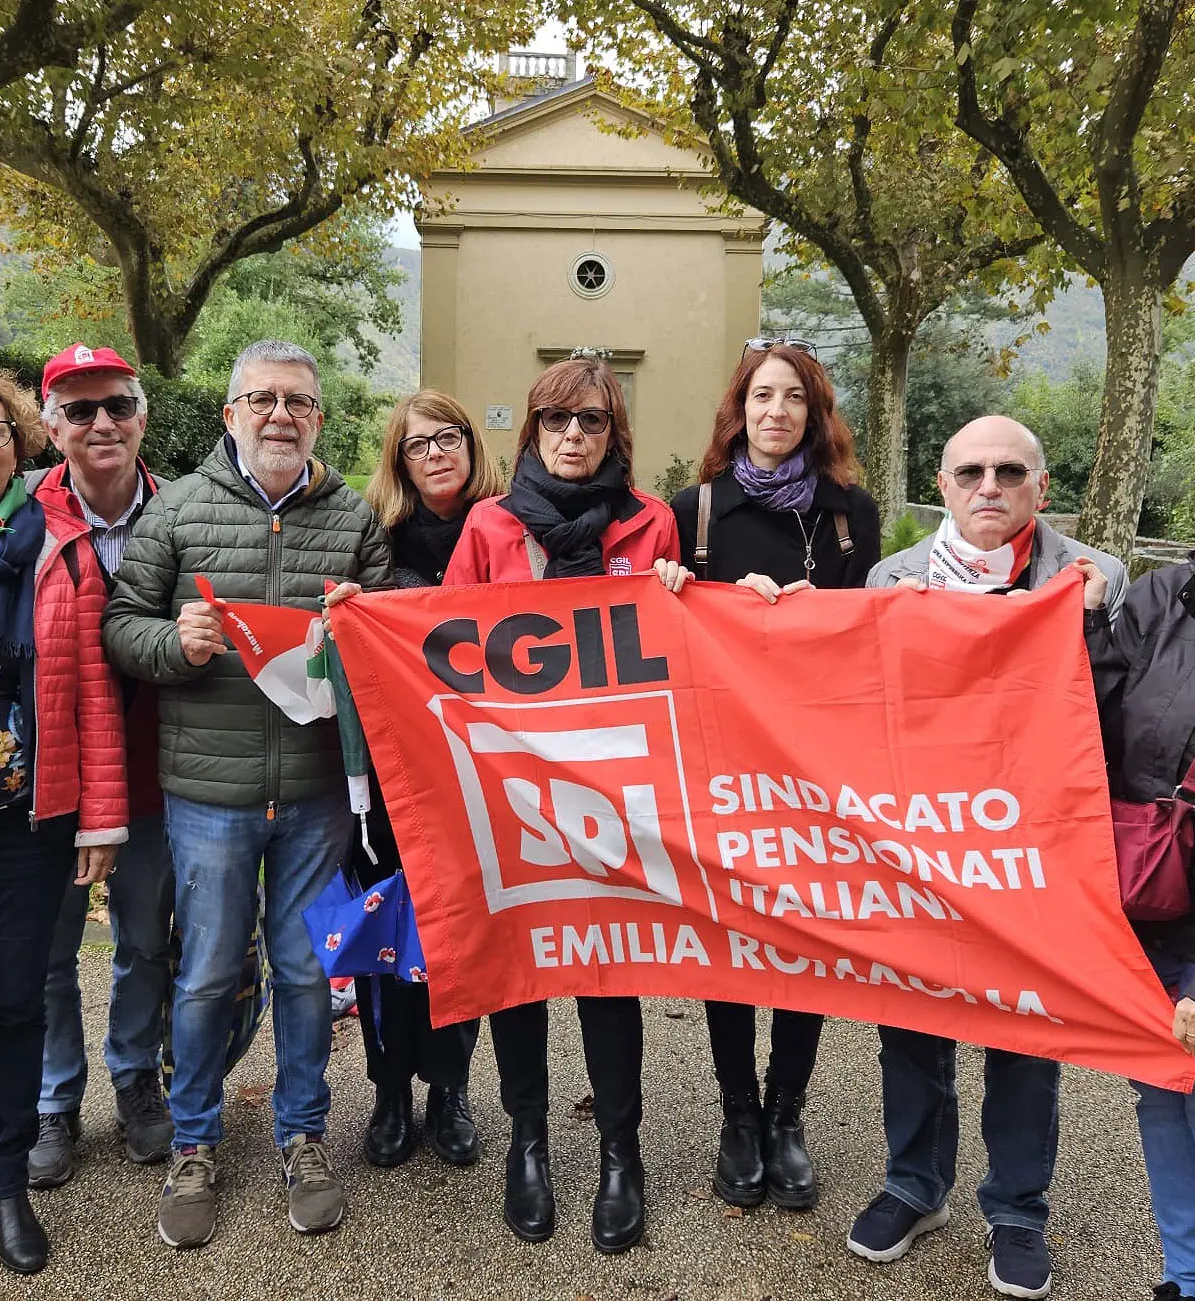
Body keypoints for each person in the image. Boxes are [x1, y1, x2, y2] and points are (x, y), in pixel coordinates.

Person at [103, 340, 393, 1249]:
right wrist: (168, 643)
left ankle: (303, 1136)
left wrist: (362, 623)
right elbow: (120, 624)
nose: (280, 415)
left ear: (318, 418)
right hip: (206, 793)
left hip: (312, 793)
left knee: (309, 973)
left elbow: (392, 646)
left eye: (298, 403)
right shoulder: (178, 510)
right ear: (230, 414)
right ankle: (195, 1143)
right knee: (208, 975)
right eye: (262, 399)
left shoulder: (351, 517)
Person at [853, 415, 1127, 1300]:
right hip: (923, 839)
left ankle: (1016, 1208)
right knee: (910, 1021)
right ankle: (913, 1184)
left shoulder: (1091, 580)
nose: (989, 486)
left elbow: (1119, 715)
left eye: (1010, 471)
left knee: (1023, 1035)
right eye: (971, 470)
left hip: (1031, 848)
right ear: (943, 482)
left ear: (1039, 488)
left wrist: (1082, 630)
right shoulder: (890, 580)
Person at [442, 355, 691, 1254]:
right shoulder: (490, 522)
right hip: (512, 782)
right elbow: (440, 640)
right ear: (533, 432)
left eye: (589, 421)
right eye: (557, 421)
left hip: (616, 783)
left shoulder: (649, 521)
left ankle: (622, 1154)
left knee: (605, 964)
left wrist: (676, 594)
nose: (573, 436)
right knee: (522, 963)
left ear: (613, 432)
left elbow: (686, 654)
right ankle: (529, 1142)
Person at [670, 338, 880, 1212]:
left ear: (814, 411)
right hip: (722, 757)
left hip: (814, 764)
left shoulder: (848, 511)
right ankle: (737, 1116)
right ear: (738, 408)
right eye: (761, 396)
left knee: (803, 938)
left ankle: (786, 1110)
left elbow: (872, 631)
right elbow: (658, 615)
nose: (776, 412)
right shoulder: (697, 507)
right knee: (730, 940)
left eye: (793, 397)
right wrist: (673, 586)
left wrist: (815, 614)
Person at [0, 363, 127, 1274]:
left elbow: (93, 688)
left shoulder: (59, 539)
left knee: (14, 1002)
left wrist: (101, 816)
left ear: (20, 442)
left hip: (28, 815)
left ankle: (3, 1182)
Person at [1083, 428, 1195, 1301]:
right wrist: (1075, 624)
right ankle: (1184, 1278)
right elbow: (1094, 725)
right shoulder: (1158, 597)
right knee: (1158, 1094)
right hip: (1145, 908)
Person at [327, 390, 503, 1170]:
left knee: (462, 936)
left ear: (471, 444)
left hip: (480, 772)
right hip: (392, 775)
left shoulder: (505, 528)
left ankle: (449, 1088)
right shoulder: (374, 538)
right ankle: (390, 1088)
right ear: (397, 460)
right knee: (389, 932)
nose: (435, 452)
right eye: (416, 443)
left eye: (449, 437)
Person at [25, 344, 174, 1189]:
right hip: (53, 777)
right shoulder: (24, 519)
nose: (101, 423)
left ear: (141, 415)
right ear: (51, 428)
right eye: (79, 410)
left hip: (154, 771)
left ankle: (134, 1076)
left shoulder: (184, 511)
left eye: (116, 404)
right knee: (50, 949)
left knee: (143, 941)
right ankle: (54, 1097)